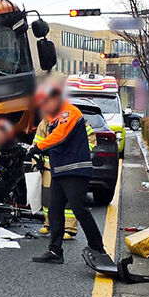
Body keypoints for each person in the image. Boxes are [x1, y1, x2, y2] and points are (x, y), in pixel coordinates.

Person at [28, 83, 105, 264]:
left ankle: (98, 247)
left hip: (75, 170)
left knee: (79, 209)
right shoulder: (53, 118)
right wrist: (38, 153)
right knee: (54, 210)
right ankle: (55, 251)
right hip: (60, 171)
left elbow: (60, 137)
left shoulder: (69, 112)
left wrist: (38, 147)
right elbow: (54, 144)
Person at [32, 101, 96, 240]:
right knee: (50, 201)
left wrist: (80, 153)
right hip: (52, 168)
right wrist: (36, 160)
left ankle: (71, 229)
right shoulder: (46, 122)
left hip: (72, 167)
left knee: (74, 205)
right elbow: (38, 141)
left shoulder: (71, 116)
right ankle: (51, 231)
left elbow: (62, 137)